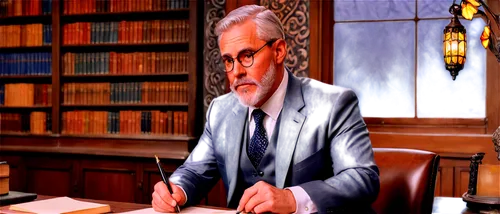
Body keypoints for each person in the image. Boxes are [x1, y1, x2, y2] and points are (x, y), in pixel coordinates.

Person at [152, 5, 379, 214]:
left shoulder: (331, 105)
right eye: (228, 60)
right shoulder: (221, 110)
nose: (236, 71)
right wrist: (177, 189)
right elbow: (194, 169)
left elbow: (361, 178)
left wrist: (292, 198)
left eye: (247, 56)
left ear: (278, 51)